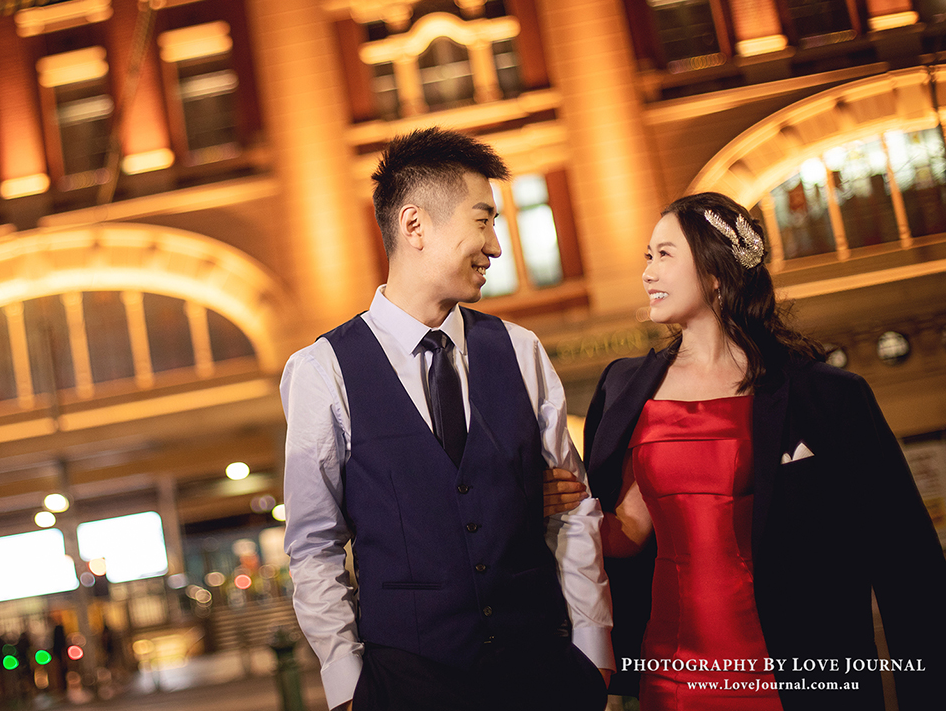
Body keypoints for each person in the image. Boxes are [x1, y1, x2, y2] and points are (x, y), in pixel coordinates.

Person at [547, 192, 946, 711]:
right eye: (648, 256)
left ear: (715, 274)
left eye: (665, 255)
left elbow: (903, 557)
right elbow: (629, 532)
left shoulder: (824, 395)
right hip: (673, 669)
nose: (647, 272)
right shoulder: (625, 387)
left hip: (797, 669)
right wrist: (553, 508)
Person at [281, 127, 613, 711]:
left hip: (542, 672)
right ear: (415, 226)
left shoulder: (520, 348)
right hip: (408, 684)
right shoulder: (321, 371)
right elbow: (314, 546)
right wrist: (346, 682)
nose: (496, 246)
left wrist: (593, 647)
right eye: (483, 221)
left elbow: (573, 508)